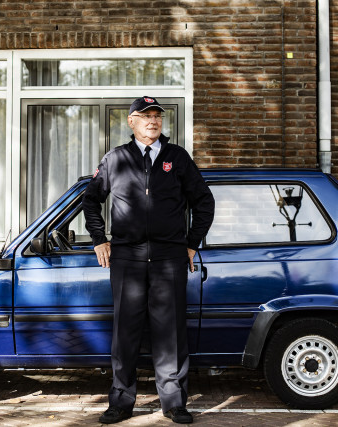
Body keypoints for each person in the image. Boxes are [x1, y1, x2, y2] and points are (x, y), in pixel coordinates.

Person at [82, 96, 215, 424]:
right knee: (125, 332)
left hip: (170, 257)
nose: (153, 121)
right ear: (132, 122)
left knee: (170, 333)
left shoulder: (177, 158)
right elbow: (91, 200)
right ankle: (120, 402)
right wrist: (99, 240)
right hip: (126, 258)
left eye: (157, 116)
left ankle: (174, 404)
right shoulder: (116, 159)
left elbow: (203, 201)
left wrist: (191, 243)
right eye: (145, 116)